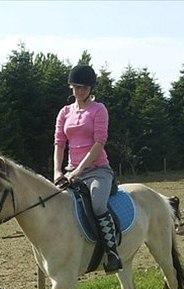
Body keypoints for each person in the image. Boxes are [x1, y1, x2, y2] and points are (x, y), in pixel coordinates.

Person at [53, 65, 122, 273]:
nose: (80, 91)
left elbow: (99, 142)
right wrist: (58, 171)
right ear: (71, 87)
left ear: (91, 89)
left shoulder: (98, 109)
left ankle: (112, 253)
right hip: (70, 170)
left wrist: (78, 171)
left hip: (97, 170)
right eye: (76, 87)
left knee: (98, 204)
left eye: (84, 87)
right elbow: (59, 143)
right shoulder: (64, 112)